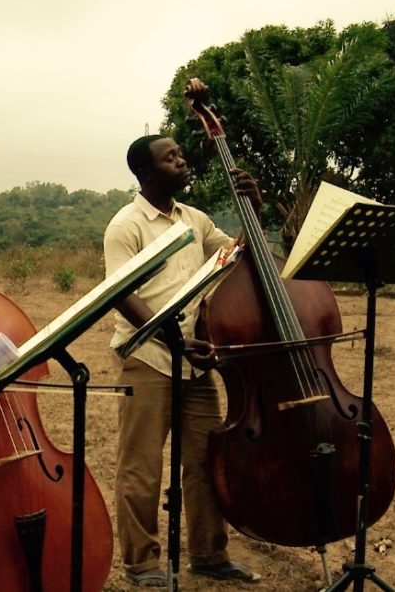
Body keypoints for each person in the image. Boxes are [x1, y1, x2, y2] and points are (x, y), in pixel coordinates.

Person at [104, 133, 262, 588]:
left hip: (195, 361)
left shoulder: (193, 218)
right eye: (170, 158)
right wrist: (172, 339)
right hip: (149, 357)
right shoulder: (126, 225)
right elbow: (121, 294)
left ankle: (210, 554)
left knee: (208, 458)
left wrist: (254, 207)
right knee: (141, 466)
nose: (182, 161)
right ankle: (142, 564)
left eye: (179, 154)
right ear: (145, 173)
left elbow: (234, 253)